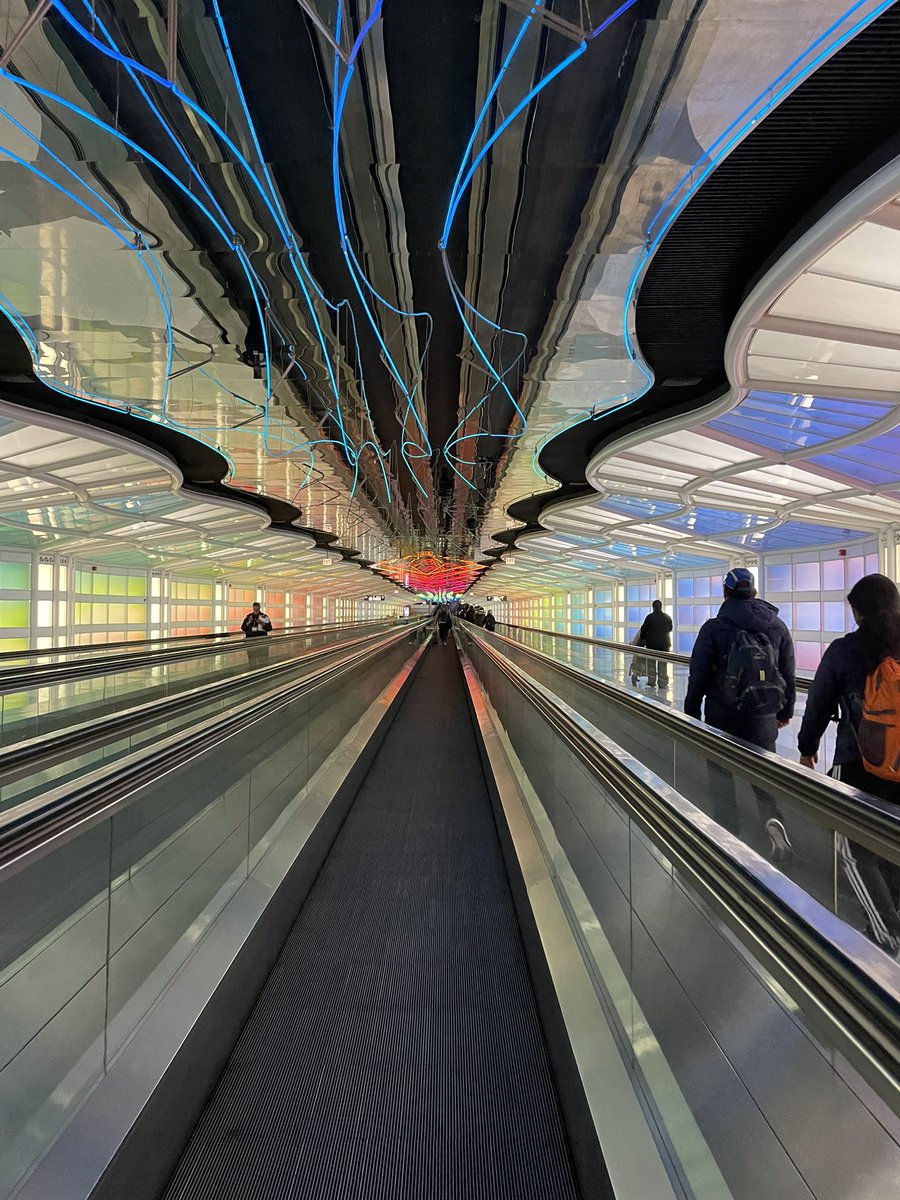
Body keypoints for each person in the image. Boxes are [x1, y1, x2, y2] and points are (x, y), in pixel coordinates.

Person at [798, 573, 900, 954]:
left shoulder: (845, 651)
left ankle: (885, 931)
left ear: (858, 613)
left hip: (857, 762)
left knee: (852, 847)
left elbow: (820, 703)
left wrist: (807, 746)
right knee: (891, 838)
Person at [684, 567, 795, 862]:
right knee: (764, 775)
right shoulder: (777, 625)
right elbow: (788, 671)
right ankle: (772, 821)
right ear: (754, 592)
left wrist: (691, 710)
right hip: (763, 716)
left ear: (726, 592)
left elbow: (699, 673)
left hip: (722, 714)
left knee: (722, 775)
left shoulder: (714, 627)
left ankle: (728, 837)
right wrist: (785, 709)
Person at [638, 600, 672, 689]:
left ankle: (651, 681)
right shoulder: (667, 617)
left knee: (651, 663)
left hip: (652, 644)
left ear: (653, 607)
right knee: (663, 663)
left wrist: (643, 639)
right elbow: (670, 629)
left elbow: (644, 630)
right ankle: (662, 683)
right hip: (665, 644)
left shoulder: (649, 617)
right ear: (661, 606)